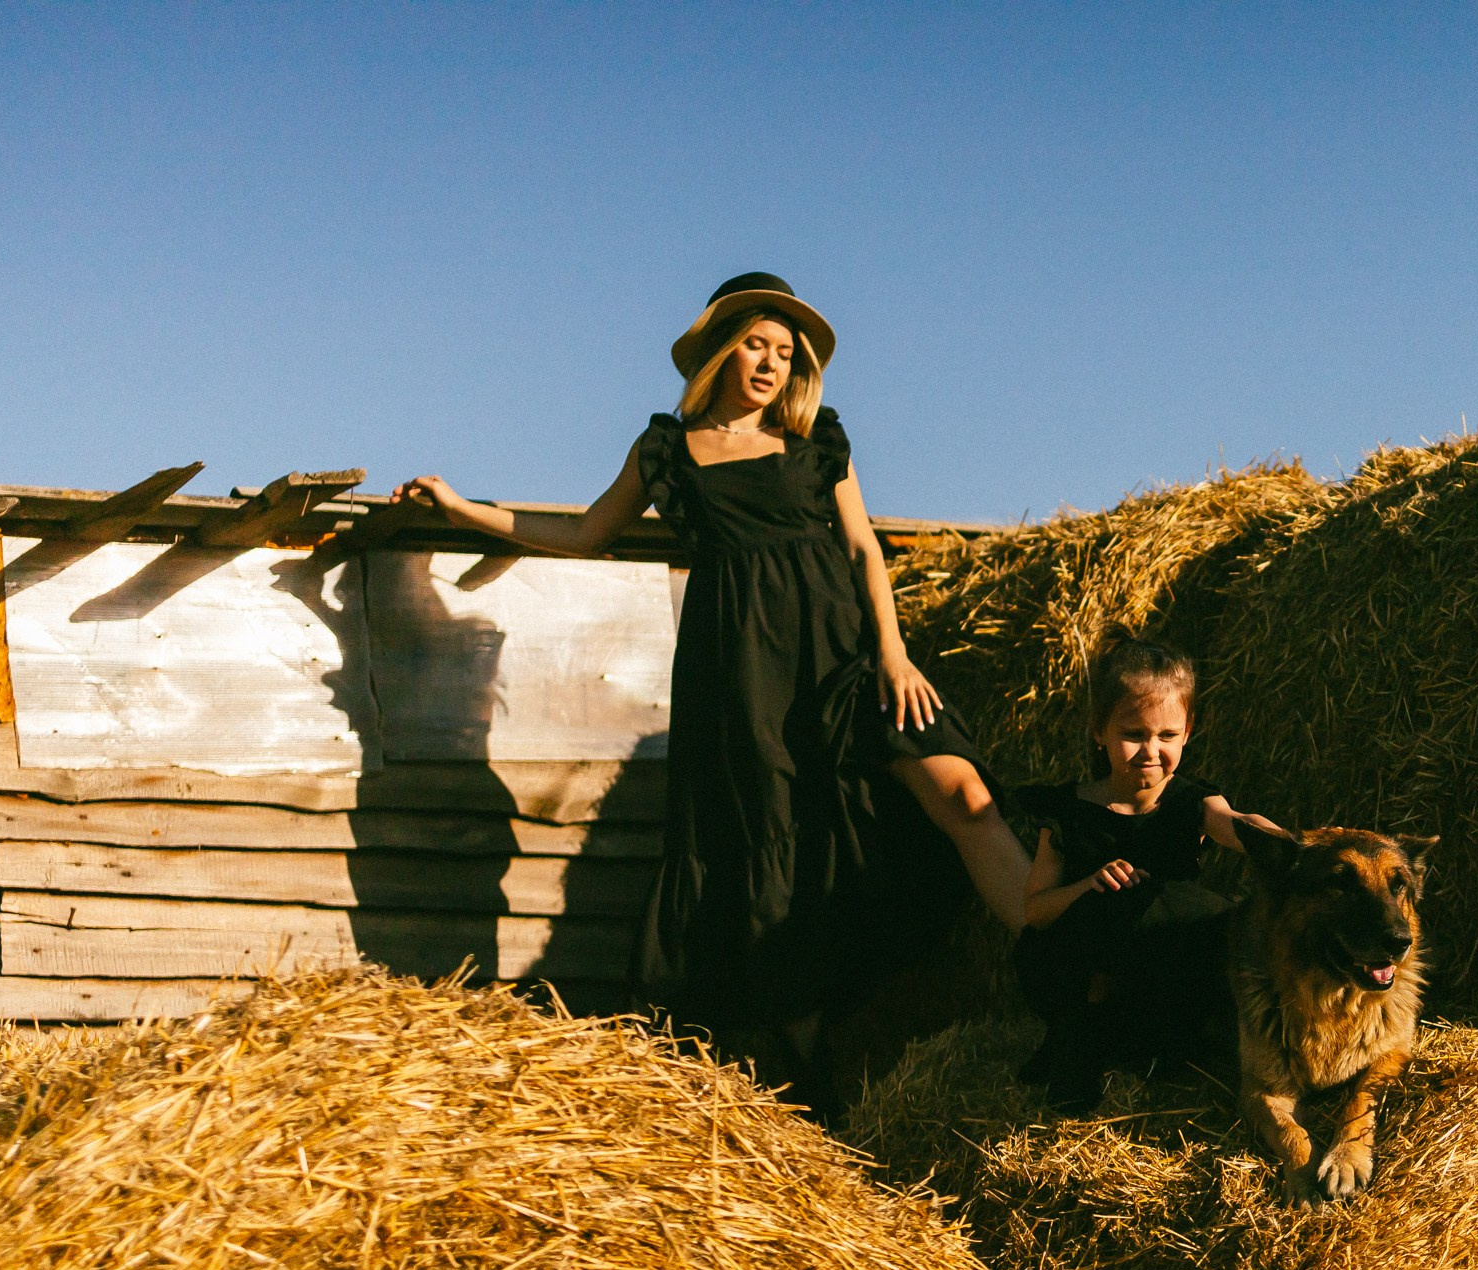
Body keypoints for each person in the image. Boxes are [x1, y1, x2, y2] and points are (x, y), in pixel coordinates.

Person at [391, 272, 1029, 1102]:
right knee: (770, 846)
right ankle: (807, 1068)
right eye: (756, 345)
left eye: (785, 351)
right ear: (723, 353)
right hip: (743, 680)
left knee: (960, 787)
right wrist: (460, 509)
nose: (770, 363)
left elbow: (866, 550)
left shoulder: (818, 441)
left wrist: (895, 653)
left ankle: (1060, 939)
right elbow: (586, 531)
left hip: (843, 660)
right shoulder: (669, 450)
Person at [1015, 633, 1286, 1113]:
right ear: (1099, 731)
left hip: (1165, 959)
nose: (1150, 751)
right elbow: (1035, 910)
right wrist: (1088, 885)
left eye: (1167, 736)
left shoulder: (1191, 801)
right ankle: (1079, 1047)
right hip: (1087, 963)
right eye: (1134, 735)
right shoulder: (1070, 812)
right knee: (1111, 906)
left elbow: (1236, 824)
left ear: (1187, 731)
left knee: (1221, 930)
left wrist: (1285, 842)